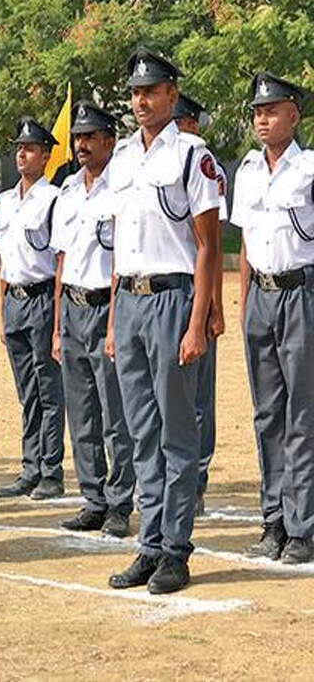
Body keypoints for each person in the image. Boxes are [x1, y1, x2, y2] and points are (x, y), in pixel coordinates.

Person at [105, 47, 221, 595]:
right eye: (135, 93)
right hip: (128, 300)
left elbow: (207, 245)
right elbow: (119, 247)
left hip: (173, 300)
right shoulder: (124, 158)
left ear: (173, 96)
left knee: (177, 433)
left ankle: (175, 549)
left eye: (151, 91)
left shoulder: (192, 154)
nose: (141, 100)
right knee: (139, 433)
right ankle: (148, 545)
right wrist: (111, 319)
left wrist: (198, 323)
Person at [231, 72, 314, 564]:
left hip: (301, 294)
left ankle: (303, 526)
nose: (262, 119)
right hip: (261, 298)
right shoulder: (247, 170)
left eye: (272, 110)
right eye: (257, 111)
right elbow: (244, 243)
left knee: (301, 415)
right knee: (266, 415)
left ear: (294, 114)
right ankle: (274, 521)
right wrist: (243, 303)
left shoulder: (309, 169)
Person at [50, 102, 135, 538]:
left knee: (113, 415)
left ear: (109, 141)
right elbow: (62, 260)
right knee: (81, 414)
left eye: (90, 137)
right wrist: (58, 325)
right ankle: (93, 498)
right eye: (77, 137)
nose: (81, 144)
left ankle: (120, 502)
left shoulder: (119, 190)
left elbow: (122, 261)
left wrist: (114, 325)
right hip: (74, 309)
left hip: (107, 306)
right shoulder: (66, 192)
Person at [0, 118, 65, 501]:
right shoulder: (5, 202)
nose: (22, 153)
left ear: (46, 155)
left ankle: (51, 471)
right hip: (15, 301)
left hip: (42, 299)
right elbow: (4, 261)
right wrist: (2, 313)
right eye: (19, 147)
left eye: (30, 148)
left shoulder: (53, 200)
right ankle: (30, 466)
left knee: (49, 389)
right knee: (27, 392)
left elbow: (59, 262)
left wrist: (56, 322)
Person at [173, 93, 227, 516]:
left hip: (197, 294)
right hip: (176, 292)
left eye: (182, 122)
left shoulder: (204, 168)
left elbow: (210, 241)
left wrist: (213, 307)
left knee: (197, 399)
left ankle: (198, 478)